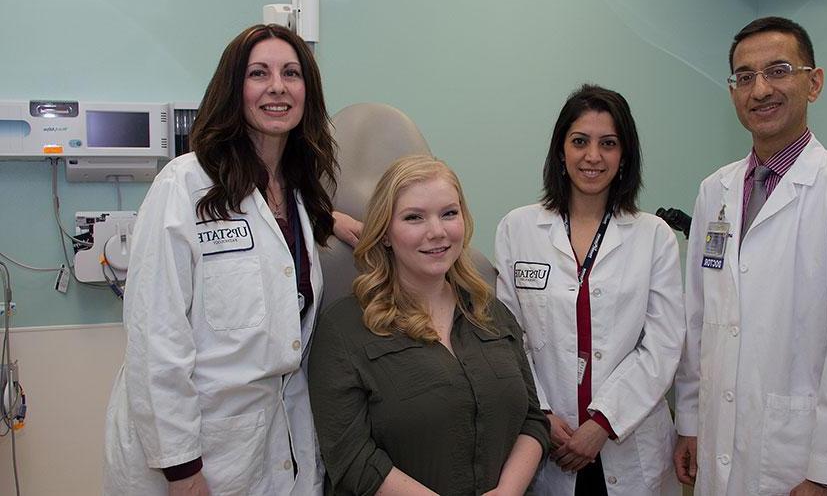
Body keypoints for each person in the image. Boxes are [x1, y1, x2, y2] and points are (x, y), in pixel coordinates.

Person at [103, 24, 337, 495]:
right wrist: (182, 470)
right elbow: (157, 338)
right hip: (193, 452)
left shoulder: (297, 192)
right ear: (233, 89)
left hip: (274, 438)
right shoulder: (184, 186)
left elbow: (277, 260)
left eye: (292, 73)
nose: (277, 86)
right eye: (258, 73)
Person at [672, 16, 827, 496]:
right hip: (718, 441)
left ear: (813, 83)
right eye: (745, 77)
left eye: (778, 71)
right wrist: (689, 420)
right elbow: (698, 318)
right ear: (733, 91)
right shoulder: (716, 190)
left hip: (799, 461)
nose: (760, 90)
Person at [308, 155, 549, 495]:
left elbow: (533, 419)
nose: (437, 232)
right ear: (386, 233)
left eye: (449, 213)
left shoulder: (491, 312)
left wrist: (507, 491)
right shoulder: (345, 329)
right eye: (414, 217)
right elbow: (351, 457)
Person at [495, 84, 686, 495]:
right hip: (549, 441)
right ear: (560, 151)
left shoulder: (653, 236)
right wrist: (541, 412)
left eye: (608, 143)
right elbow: (509, 337)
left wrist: (603, 423)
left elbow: (663, 343)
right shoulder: (519, 229)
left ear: (624, 156)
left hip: (628, 441)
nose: (593, 156)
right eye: (579, 141)